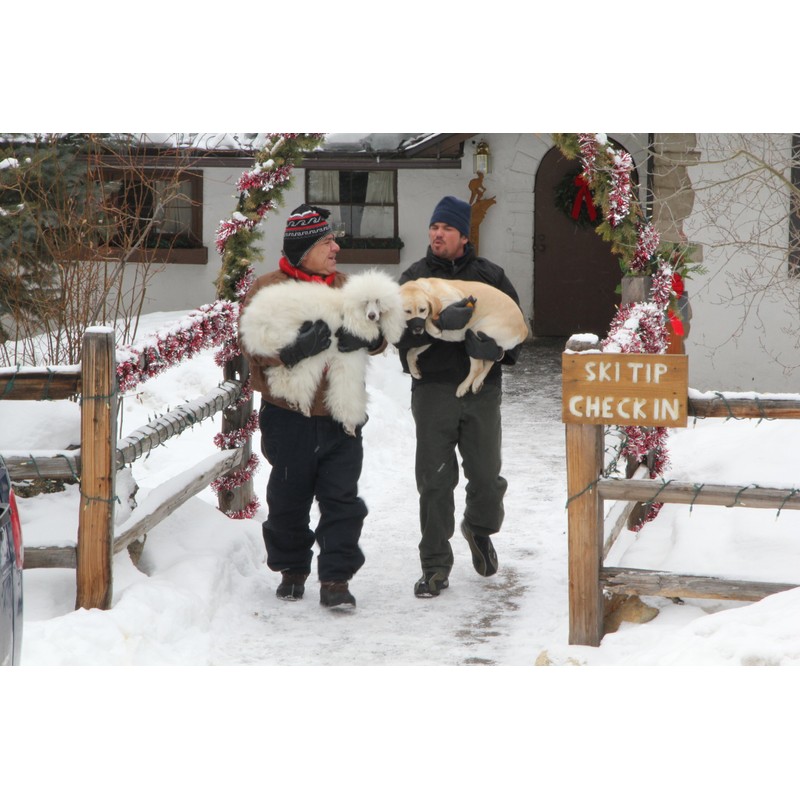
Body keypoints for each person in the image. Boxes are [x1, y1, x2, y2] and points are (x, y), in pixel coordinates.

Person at [239, 204, 384, 609]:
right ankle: (292, 569)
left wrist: (370, 340)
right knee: (288, 499)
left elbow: (381, 328)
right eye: (326, 241)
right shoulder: (268, 288)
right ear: (304, 248)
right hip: (289, 417)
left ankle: (336, 579)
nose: (336, 247)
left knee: (342, 501)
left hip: (342, 418)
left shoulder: (348, 287)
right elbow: (248, 341)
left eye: (334, 240)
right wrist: (291, 351)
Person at [397, 195, 523, 598]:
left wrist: (499, 352)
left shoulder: (490, 276)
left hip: (482, 390)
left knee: (486, 476)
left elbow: (515, 326)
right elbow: (394, 332)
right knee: (434, 481)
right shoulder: (414, 277)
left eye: (446, 229)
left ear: (464, 236)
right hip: (433, 389)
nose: (437, 234)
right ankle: (434, 565)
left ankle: (479, 529)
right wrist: (423, 327)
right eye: (434, 228)